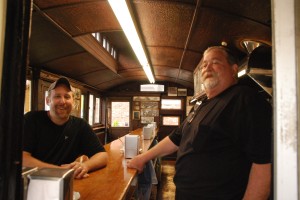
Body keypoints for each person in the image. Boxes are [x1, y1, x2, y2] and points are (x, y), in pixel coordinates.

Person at [127, 46, 272, 199]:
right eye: (204, 64)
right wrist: (143, 158)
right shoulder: (201, 105)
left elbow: (263, 162)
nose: (207, 67)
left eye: (215, 62)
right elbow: (175, 139)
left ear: (234, 69)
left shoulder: (243, 99)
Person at [22, 77, 108, 179]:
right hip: (34, 182)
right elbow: (22, 158)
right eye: (57, 96)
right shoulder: (32, 119)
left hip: (64, 183)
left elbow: (102, 155)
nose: (62, 101)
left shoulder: (80, 125)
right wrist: (62, 171)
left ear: (73, 102)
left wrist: (84, 166)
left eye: (67, 97)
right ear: (48, 100)